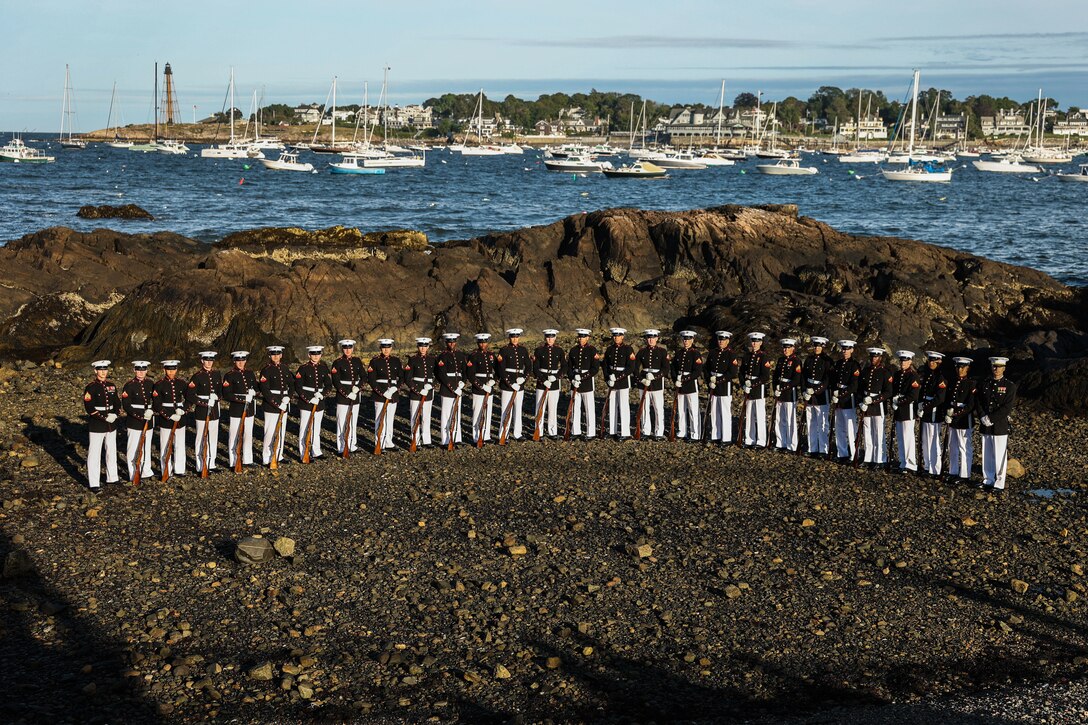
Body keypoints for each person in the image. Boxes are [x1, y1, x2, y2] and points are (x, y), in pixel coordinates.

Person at [976, 357, 1017, 492]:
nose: (996, 369)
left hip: (999, 424)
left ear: (1004, 368)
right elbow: (979, 401)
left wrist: (991, 418)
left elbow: (1007, 407)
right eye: (994, 366)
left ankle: (999, 483)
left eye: (999, 367)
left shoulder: (1010, 386)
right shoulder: (985, 383)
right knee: (986, 453)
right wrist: (982, 415)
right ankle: (988, 479)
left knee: (999, 454)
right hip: (985, 422)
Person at [83, 360, 121, 488]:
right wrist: (104, 418)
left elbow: (116, 402)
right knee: (94, 454)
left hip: (111, 424)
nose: (103, 372)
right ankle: (94, 483)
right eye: (100, 369)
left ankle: (113, 478)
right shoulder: (91, 387)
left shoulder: (111, 385)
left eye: (105, 369)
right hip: (97, 424)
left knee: (111, 451)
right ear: (95, 371)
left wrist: (115, 414)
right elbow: (89, 408)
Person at [186, 351, 222, 475]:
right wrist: (204, 401)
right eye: (206, 360)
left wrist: (217, 397)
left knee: (213, 437)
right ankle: (200, 465)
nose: (208, 363)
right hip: (202, 410)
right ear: (202, 361)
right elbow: (190, 395)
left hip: (214, 411)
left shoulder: (217, 375)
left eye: (211, 360)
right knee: (201, 438)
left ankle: (211, 463)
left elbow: (221, 391)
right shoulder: (197, 376)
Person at [857, 347, 893, 468]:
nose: (873, 358)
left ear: (880, 358)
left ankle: (879, 459)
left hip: (878, 405)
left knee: (878, 433)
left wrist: (874, 400)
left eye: (876, 356)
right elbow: (860, 388)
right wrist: (860, 402)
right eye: (872, 356)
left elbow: (888, 392)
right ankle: (868, 458)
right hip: (866, 405)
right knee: (867, 432)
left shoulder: (885, 372)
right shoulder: (866, 371)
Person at [120, 360, 155, 482]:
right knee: (133, 447)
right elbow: (126, 405)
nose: (141, 372)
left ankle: (146, 471)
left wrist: (152, 410)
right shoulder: (129, 385)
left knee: (146, 446)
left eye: (143, 369)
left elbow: (156, 400)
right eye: (138, 370)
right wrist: (140, 415)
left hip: (149, 418)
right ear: (134, 370)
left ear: (146, 370)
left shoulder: (151, 384)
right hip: (134, 420)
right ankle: (133, 472)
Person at [295, 345, 331, 461]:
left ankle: (316, 451)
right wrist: (308, 399)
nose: (316, 356)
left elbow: (328, 385)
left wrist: (322, 394)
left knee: (316, 427)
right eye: (313, 354)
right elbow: (298, 387)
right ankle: (303, 452)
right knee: (305, 428)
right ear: (309, 355)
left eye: (318, 354)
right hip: (306, 402)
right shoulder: (303, 368)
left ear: (321, 355)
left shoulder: (324, 368)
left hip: (319, 401)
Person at [223, 351, 258, 468]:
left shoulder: (250, 373)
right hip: (237, 409)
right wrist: (243, 398)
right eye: (238, 360)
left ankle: (247, 459)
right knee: (234, 435)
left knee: (248, 434)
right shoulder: (229, 375)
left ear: (245, 361)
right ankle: (233, 461)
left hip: (250, 410)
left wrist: (254, 392)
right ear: (234, 361)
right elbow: (226, 395)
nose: (241, 363)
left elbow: (257, 388)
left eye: (243, 360)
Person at [153, 359, 188, 477]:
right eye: (169, 369)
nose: (171, 371)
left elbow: (189, 398)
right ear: (164, 370)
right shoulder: (159, 384)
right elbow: (156, 404)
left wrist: (183, 409)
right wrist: (168, 415)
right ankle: (166, 470)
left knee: (180, 444)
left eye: (173, 369)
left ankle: (179, 469)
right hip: (166, 418)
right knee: (165, 445)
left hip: (179, 416)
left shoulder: (182, 383)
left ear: (176, 369)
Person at [259, 345, 292, 465]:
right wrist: (278, 404)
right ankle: (267, 457)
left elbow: (291, 384)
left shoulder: (285, 368)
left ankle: (279, 454)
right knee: (270, 431)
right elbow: (265, 390)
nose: (276, 356)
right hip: (271, 405)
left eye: (278, 354)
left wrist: (289, 397)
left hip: (284, 401)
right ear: (269, 356)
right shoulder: (266, 370)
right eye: (273, 354)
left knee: (281, 431)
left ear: (281, 355)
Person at [330, 339, 365, 455]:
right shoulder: (337, 362)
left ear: (353, 348)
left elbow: (364, 376)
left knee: (353, 421)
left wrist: (358, 387)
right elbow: (336, 381)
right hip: (343, 396)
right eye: (345, 348)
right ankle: (341, 446)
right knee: (342, 422)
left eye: (350, 348)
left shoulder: (357, 361)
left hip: (355, 394)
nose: (348, 350)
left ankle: (352, 444)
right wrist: (346, 393)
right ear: (342, 349)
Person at [945, 357, 976, 483]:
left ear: (967, 368)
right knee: (952, 446)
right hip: (952, 417)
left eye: (962, 367)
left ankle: (964, 474)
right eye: (958, 367)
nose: (960, 370)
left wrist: (955, 414)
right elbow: (948, 399)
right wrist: (947, 413)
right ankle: (953, 471)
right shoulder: (953, 382)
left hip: (963, 419)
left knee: (964, 447)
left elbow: (970, 405)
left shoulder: (971, 384)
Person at [496, 328, 531, 442]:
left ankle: (517, 433)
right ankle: (504, 434)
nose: (515, 339)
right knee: (506, 410)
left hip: (519, 384)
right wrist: (510, 383)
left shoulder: (523, 350)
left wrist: (524, 379)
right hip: (507, 385)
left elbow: (528, 366)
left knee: (518, 410)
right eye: (512, 337)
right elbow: (501, 369)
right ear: (509, 338)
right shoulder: (504, 350)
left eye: (516, 337)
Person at [917, 351, 948, 477]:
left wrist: (924, 406)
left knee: (934, 440)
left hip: (934, 411)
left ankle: (935, 468)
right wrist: (919, 404)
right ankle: (927, 465)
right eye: (930, 360)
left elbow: (940, 398)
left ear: (939, 362)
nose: (931, 363)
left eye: (934, 361)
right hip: (925, 410)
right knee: (925, 440)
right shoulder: (928, 375)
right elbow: (922, 392)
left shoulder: (941, 377)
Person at [368, 339, 403, 451]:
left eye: (388, 347)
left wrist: (395, 387)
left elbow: (402, 377)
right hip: (380, 394)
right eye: (384, 347)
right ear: (380, 348)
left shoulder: (396, 361)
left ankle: (388, 441)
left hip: (392, 393)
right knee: (380, 418)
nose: (386, 349)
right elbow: (372, 380)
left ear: (391, 348)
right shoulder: (374, 361)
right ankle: (379, 443)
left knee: (390, 419)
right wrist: (382, 393)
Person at [890, 350, 921, 474]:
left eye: (905, 360)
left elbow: (913, 395)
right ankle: (903, 462)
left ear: (910, 362)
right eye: (901, 360)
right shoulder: (897, 374)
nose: (903, 362)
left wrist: (899, 401)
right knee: (900, 437)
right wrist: (893, 401)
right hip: (898, 409)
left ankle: (911, 464)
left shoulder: (913, 376)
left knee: (908, 437)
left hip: (907, 409)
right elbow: (894, 390)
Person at [601, 328, 636, 440]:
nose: (616, 337)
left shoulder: (628, 349)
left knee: (623, 406)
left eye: (618, 336)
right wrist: (607, 378)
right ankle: (613, 431)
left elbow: (631, 367)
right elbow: (605, 365)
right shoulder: (609, 349)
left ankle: (625, 432)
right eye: (614, 336)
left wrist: (618, 377)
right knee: (612, 406)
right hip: (612, 380)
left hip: (623, 381)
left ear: (622, 337)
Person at [801, 337, 833, 457]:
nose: (817, 348)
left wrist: (814, 390)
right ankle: (812, 448)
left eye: (819, 346)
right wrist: (804, 390)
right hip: (809, 397)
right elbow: (804, 377)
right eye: (815, 346)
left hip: (821, 396)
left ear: (823, 347)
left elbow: (827, 381)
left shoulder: (828, 361)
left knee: (823, 423)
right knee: (810, 423)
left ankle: (823, 450)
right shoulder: (809, 359)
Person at [739, 332, 772, 447]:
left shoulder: (764, 357)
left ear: (761, 343)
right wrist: (743, 384)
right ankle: (749, 439)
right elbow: (742, 372)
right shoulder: (747, 356)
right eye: (753, 341)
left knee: (759, 415)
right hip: (748, 388)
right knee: (748, 414)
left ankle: (761, 441)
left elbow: (765, 376)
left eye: (757, 341)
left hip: (758, 389)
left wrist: (752, 384)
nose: (754, 343)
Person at [567, 328, 601, 441]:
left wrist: (581, 377)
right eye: (579, 337)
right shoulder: (573, 350)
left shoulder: (592, 350)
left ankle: (590, 432)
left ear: (588, 338)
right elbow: (569, 367)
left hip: (587, 382)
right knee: (575, 408)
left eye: (583, 337)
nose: (581, 339)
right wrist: (572, 378)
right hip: (575, 382)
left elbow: (595, 368)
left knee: (589, 408)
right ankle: (575, 431)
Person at [830, 340, 861, 461]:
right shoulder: (838, 364)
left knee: (850, 429)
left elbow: (854, 386)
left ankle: (854, 454)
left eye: (848, 349)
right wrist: (834, 392)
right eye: (843, 349)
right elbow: (833, 380)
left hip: (848, 399)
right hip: (838, 399)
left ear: (852, 350)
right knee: (839, 428)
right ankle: (841, 453)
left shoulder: (855, 365)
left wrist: (841, 394)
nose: (845, 351)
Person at [533, 329, 567, 439]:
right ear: (545, 338)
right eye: (548, 337)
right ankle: (539, 431)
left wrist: (556, 377)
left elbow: (564, 366)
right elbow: (536, 368)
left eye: (552, 337)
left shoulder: (559, 351)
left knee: (553, 408)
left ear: (555, 338)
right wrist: (543, 380)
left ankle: (553, 431)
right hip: (541, 382)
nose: (550, 339)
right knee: (540, 408)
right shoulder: (538, 350)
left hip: (554, 382)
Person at [635, 329, 669, 440]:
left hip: (657, 382)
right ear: (646, 339)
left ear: (657, 338)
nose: (651, 340)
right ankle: (646, 431)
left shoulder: (662, 352)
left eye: (653, 337)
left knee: (658, 408)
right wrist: (641, 379)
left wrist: (655, 376)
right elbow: (635, 368)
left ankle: (659, 432)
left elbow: (665, 369)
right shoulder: (641, 351)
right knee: (644, 408)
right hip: (644, 381)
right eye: (649, 337)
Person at [670, 330, 703, 441]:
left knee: (693, 410)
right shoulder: (679, 353)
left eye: (688, 339)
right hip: (679, 383)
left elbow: (697, 371)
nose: (686, 341)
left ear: (692, 340)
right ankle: (682, 431)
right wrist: (675, 379)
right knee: (681, 409)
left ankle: (695, 434)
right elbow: (673, 368)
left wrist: (684, 379)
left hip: (690, 384)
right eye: (684, 339)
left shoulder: (695, 353)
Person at [436, 332, 468, 446]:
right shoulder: (442, 356)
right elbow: (441, 374)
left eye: (453, 342)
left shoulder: (460, 355)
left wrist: (463, 383)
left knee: (457, 414)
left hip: (458, 388)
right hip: (447, 389)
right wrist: (453, 387)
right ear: (446, 343)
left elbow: (465, 371)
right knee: (446, 415)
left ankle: (457, 438)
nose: (452, 344)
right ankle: (445, 440)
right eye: (449, 342)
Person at [404, 337, 436, 448]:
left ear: (428, 347)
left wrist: (431, 385)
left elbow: (438, 375)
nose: (423, 348)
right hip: (416, 392)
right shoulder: (412, 360)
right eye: (421, 346)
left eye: (425, 346)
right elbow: (407, 379)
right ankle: (415, 440)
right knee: (415, 416)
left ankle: (427, 440)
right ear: (418, 347)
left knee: (426, 417)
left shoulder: (432, 359)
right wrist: (417, 390)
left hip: (428, 391)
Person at [771, 338, 803, 451]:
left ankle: (792, 445)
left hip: (789, 393)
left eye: (788, 347)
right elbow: (775, 377)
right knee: (780, 419)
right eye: (784, 347)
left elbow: (796, 379)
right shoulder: (780, 360)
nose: (786, 349)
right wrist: (774, 388)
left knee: (790, 420)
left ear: (793, 348)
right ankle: (781, 443)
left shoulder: (796, 361)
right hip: (780, 393)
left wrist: (783, 388)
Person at [468, 333, 498, 444]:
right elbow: (471, 375)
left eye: (485, 342)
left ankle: (486, 435)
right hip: (478, 389)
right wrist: (481, 386)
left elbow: (498, 370)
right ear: (477, 343)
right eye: (481, 342)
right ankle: (476, 437)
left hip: (489, 388)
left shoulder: (491, 355)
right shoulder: (473, 356)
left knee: (488, 412)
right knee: (477, 413)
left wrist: (494, 380)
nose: (483, 344)